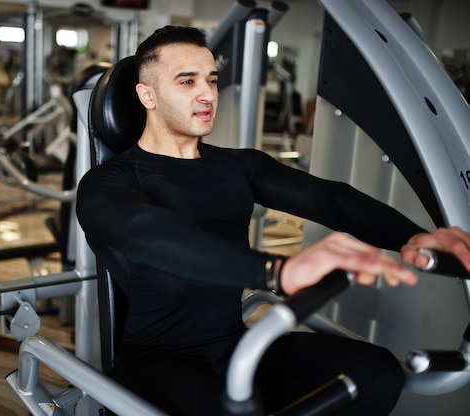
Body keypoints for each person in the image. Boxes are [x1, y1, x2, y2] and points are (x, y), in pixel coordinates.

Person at [76, 25, 470, 415]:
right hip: (157, 362)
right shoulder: (109, 182)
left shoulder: (239, 165)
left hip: (236, 347)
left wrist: (416, 238)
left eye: (212, 80)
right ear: (147, 95)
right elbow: (153, 236)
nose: (207, 94)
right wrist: (275, 271)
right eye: (187, 81)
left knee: (376, 373)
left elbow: (331, 199)